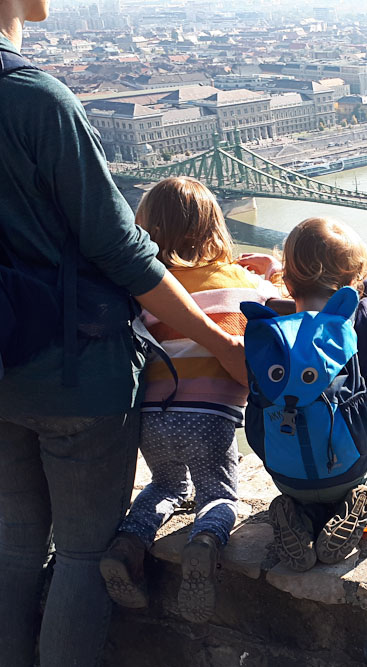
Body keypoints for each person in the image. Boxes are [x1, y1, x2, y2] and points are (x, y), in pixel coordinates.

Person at [0, 5, 250, 665]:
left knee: (16, 548)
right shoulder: (36, 101)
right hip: (77, 377)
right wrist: (222, 343)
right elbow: (127, 254)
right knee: (82, 553)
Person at [98, 177, 281, 623]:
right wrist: (272, 269)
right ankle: (205, 543)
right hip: (212, 417)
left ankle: (128, 545)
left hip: (153, 416)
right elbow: (288, 306)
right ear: (216, 227)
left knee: (164, 486)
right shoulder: (244, 281)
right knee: (218, 495)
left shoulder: (148, 289)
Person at [257, 217, 367, 571]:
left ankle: (295, 513)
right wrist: (363, 283)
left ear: (286, 283)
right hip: (348, 470)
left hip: (289, 476)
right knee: (366, 477)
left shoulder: (273, 333)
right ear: (351, 282)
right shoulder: (360, 319)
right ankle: (363, 500)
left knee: (306, 470)